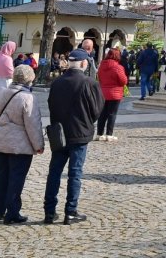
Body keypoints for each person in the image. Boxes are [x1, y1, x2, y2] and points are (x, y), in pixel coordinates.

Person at [44, 48, 102, 225]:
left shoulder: (57, 82)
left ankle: (49, 211)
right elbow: (97, 110)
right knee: (75, 173)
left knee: (54, 172)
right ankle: (70, 211)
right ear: (84, 63)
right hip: (79, 133)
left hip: (60, 133)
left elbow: (51, 105)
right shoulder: (89, 83)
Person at [0, 64, 45, 224]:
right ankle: (12, 212)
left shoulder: (3, 93)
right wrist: (38, 145)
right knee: (16, 179)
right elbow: (33, 125)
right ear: (29, 79)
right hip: (19, 145)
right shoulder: (28, 97)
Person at [96, 47, 128, 142]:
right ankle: (109, 134)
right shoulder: (118, 67)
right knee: (112, 114)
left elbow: (99, 78)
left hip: (103, 92)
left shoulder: (102, 66)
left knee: (102, 114)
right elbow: (123, 81)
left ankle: (99, 134)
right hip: (115, 93)